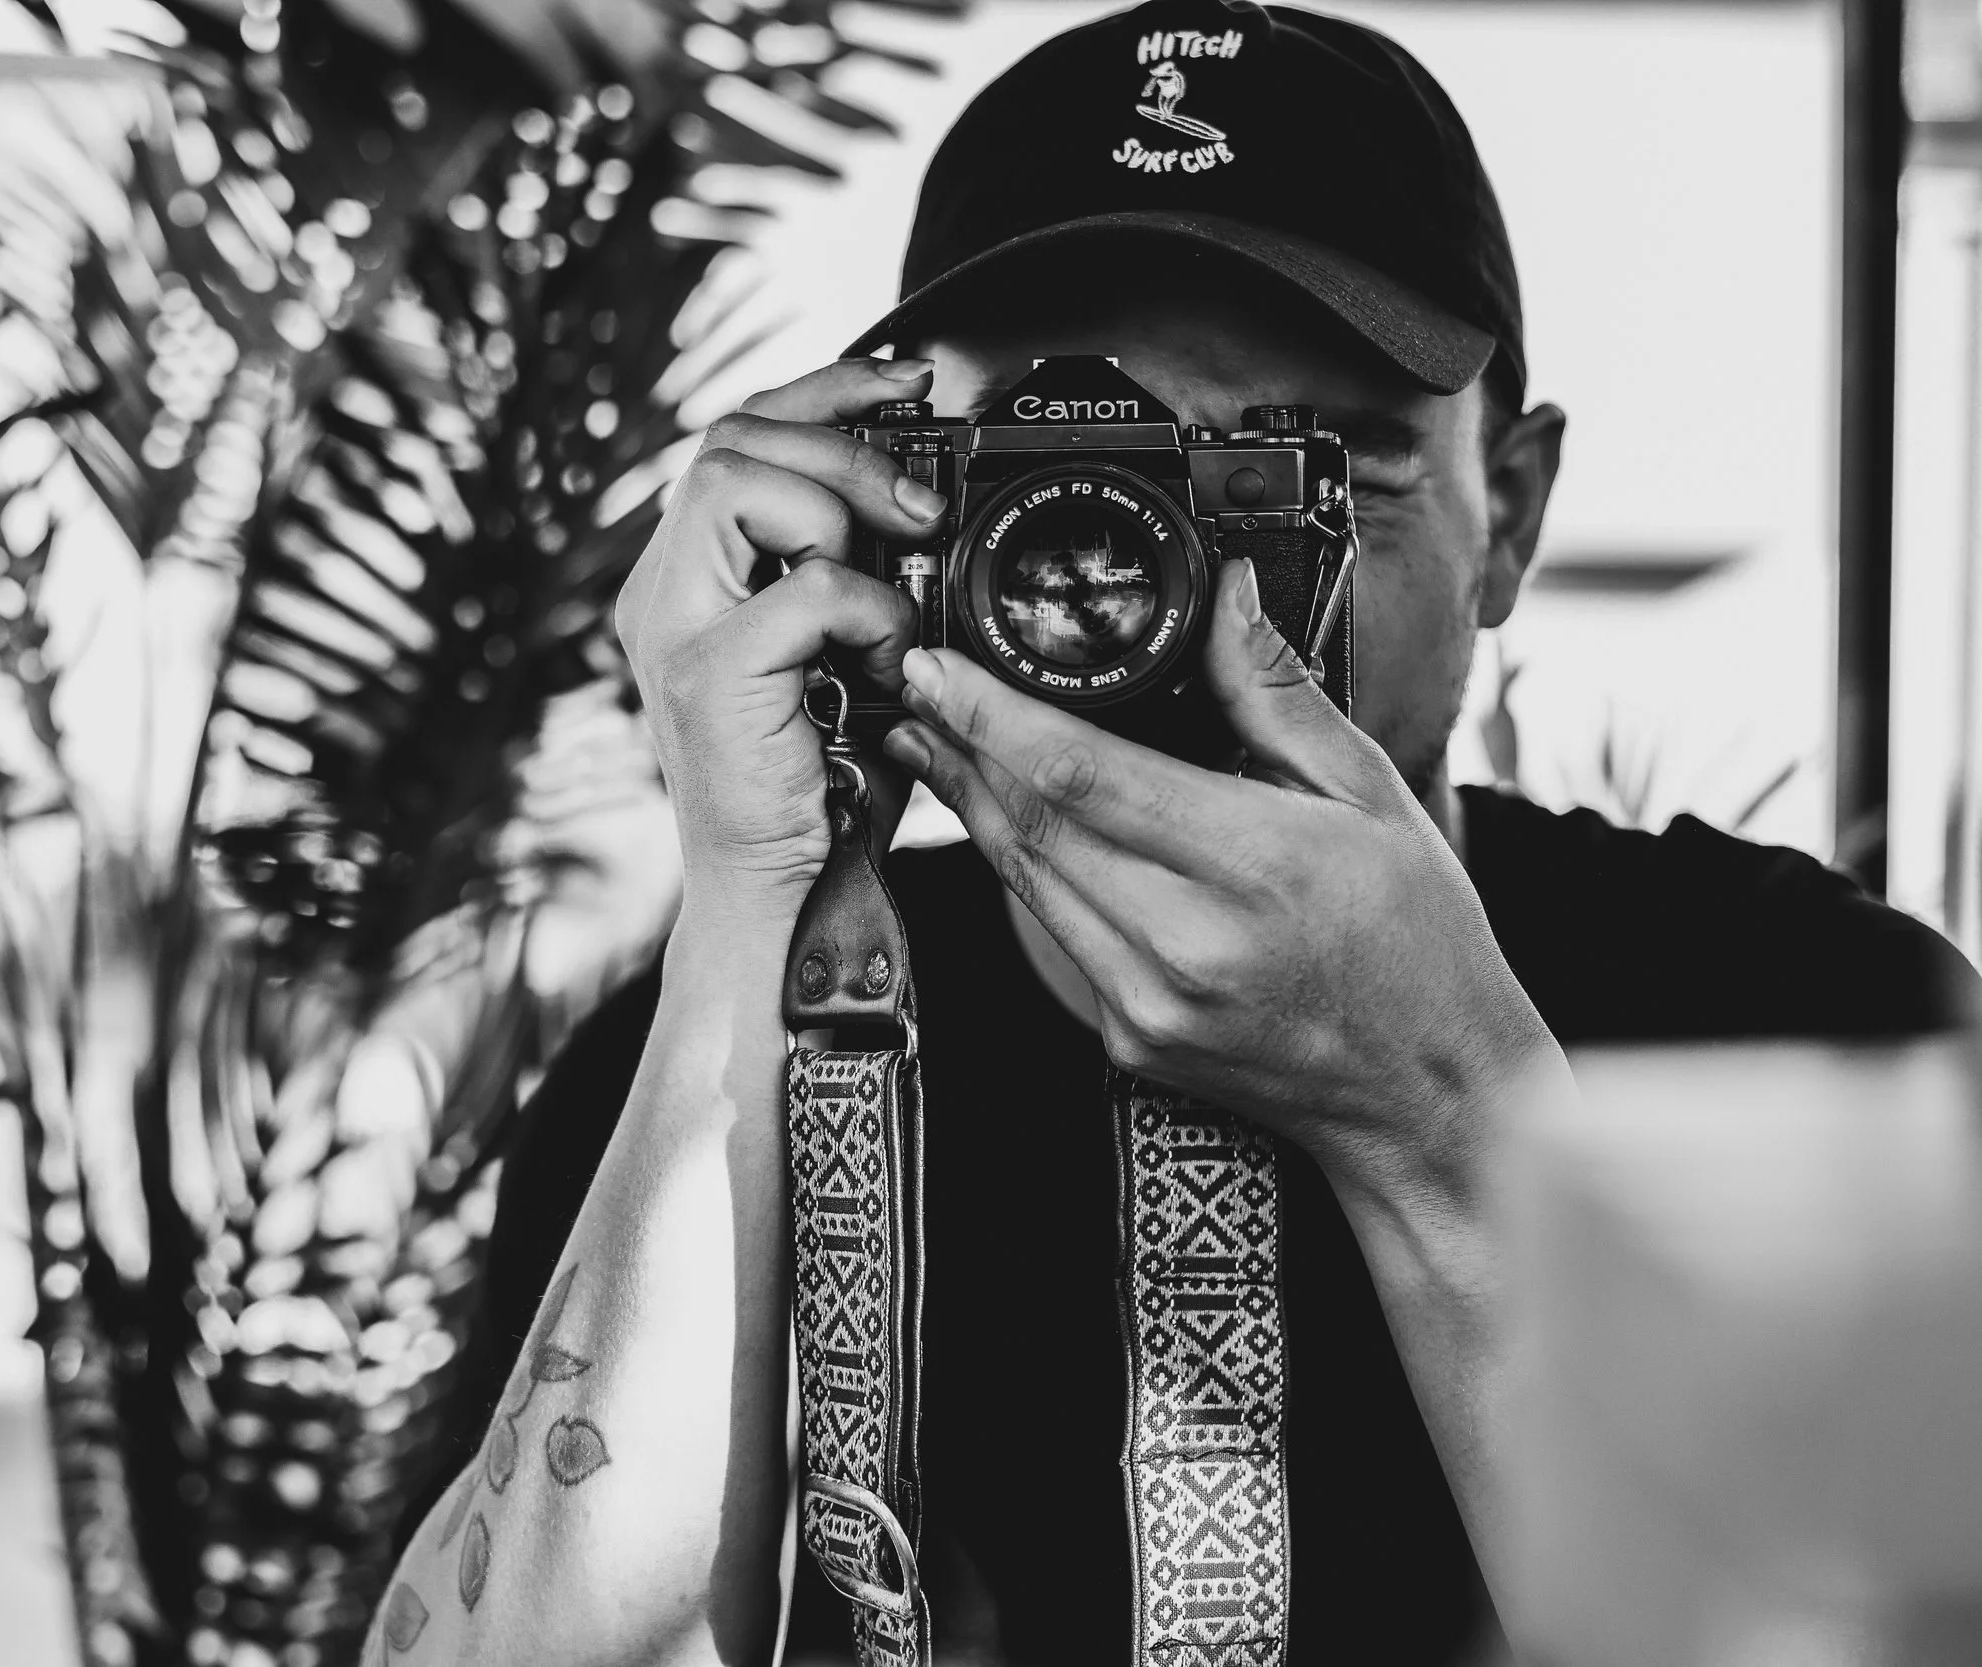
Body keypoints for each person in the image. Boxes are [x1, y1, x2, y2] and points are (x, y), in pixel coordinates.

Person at [367, 3, 1978, 1664]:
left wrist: (1448, 1122)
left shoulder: (1815, 1031)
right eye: (1072, 462)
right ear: (901, 493)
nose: (1168, 571)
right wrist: (749, 912)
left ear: (1511, 513)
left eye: (1312, 467)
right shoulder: (727, 1050)